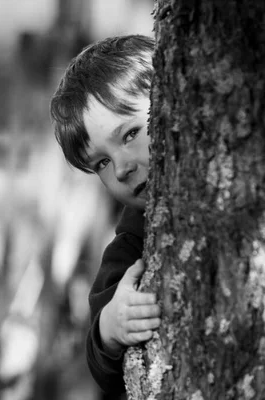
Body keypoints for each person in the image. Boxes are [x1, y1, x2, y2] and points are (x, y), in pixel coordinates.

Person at [49, 35, 161, 397]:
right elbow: (100, 358)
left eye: (130, 134)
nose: (122, 168)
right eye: (102, 162)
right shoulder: (131, 240)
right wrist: (109, 330)